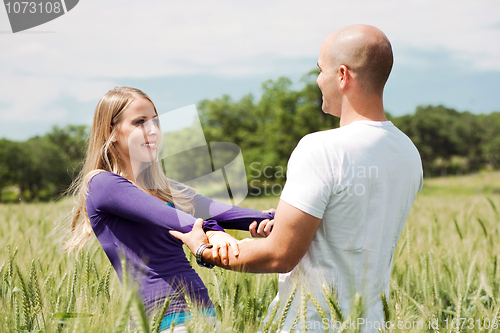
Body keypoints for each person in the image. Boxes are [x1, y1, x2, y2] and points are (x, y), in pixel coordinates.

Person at [171, 24, 423, 332]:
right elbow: (354, 230)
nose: (318, 80)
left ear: (342, 75)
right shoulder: (409, 154)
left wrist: (204, 249)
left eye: (321, 70)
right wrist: (293, 228)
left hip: (311, 324)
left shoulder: (321, 148)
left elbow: (280, 256)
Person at [64, 87, 275, 333]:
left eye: (155, 121)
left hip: (204, 314)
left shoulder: (165, 189)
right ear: (111, 132)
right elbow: (180, 220)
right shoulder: (102, 184)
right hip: (162, 321)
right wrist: (214, 232)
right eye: (140, 122)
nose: (152, 130)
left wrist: (274, 219)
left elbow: (225, 212)